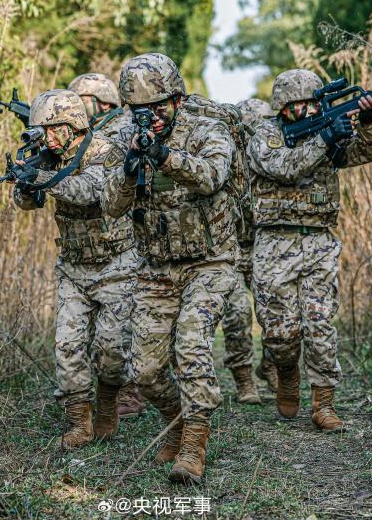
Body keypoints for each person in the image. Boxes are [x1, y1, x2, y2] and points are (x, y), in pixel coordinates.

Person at [102, 52, 237, 483]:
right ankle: (176, 421)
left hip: (209, 260)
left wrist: (164, 157)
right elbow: (109, 205)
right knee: (144, 370)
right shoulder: (125, 138)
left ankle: (194, 445)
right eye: (139, 111)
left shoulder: (207, 128)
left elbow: (212, 175)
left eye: (156, 108)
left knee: (193, 344)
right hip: (156, 266)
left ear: (176, 100)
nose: (148, 118)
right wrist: (127, 172)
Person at [246, 69, 372, 431]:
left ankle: (324, 403)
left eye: (312, 104)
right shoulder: (264, 135)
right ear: (282, 108)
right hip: (275, 243)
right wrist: (324, 137)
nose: (308, 111)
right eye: (299, 105)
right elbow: (284, 168)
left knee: (320, 323)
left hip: (319, 239)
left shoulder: (325, 130)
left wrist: (367, 122)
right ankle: (286, 369)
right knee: (279, 332)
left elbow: (362, 153)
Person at [8, 89, 135, 449]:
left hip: (116, 265)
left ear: (73, 126)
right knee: (67, 348)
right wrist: (26, 186)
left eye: (51, 129)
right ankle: (79, 420)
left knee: (112, 351)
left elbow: (89, 191)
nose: (45, 138)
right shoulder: (47, 157)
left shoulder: (105, 151)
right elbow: (24, 202)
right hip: (73, 268)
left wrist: (46, 182)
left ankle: (108, 403)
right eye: (41, 130)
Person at [67, 73, 147, 418]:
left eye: (79, 102)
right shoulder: (79, 135)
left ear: (102, 103)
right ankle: (85, 403)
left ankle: (126, 389)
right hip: (82, 245)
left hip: (122, 239)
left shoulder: (123, 130)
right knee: (81, 337)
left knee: (119, 331)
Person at [234, 98, 278, 392]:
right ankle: (243, 378)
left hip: (267, 243)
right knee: (236, 314)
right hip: (233, 247)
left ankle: (272, 364)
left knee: (275, 312)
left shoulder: (274, 156)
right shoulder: (227, 157)